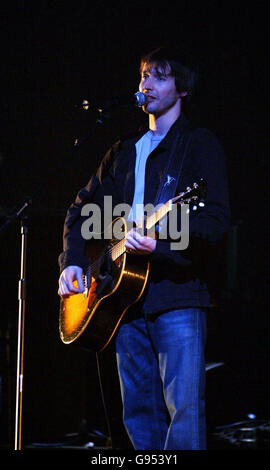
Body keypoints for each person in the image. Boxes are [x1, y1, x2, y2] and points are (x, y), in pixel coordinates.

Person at [58, 46, 230, 450]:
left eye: (159, 76)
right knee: (137, 413)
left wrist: (161, 245)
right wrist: (73, 261)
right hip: (122, 301)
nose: (146, 84)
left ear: (182, 88)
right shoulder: (122, 151)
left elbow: (215, 221)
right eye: (143, 76)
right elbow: (80, 208)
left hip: (177, 296)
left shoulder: (198, 144)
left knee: (184, 414)